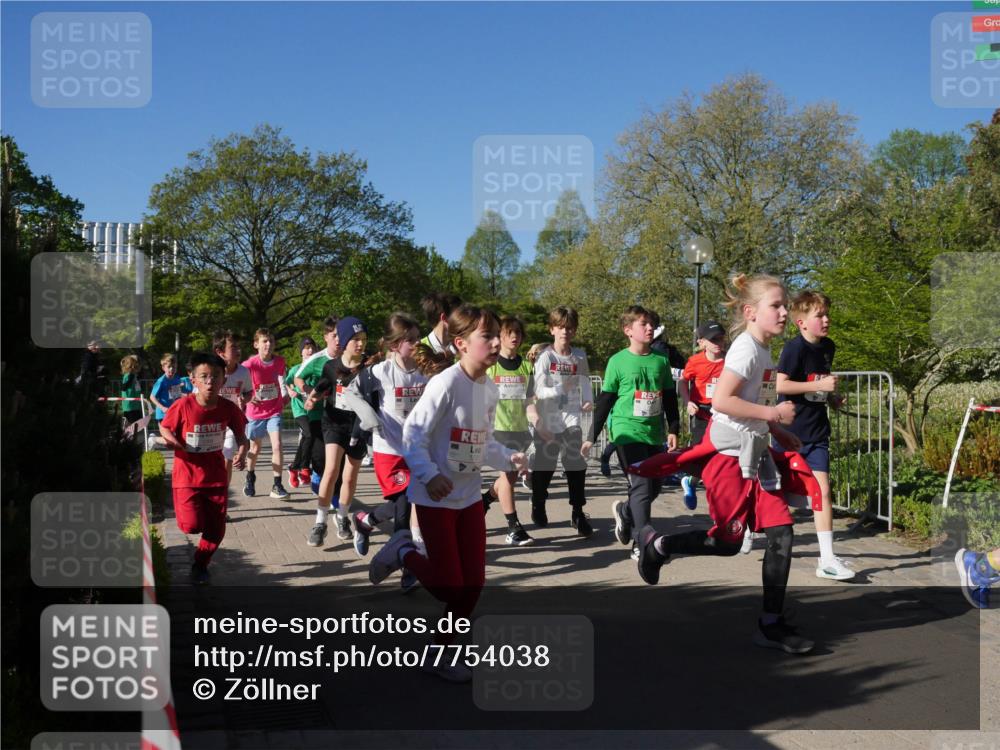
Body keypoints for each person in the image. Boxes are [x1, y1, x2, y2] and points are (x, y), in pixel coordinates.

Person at [634, 273, 816, 655]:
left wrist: (776, 431)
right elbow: (723, 402)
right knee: (727, 543)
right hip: (728, 458)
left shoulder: (763, 351)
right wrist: (774, 413)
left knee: (782, 532)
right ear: (751, 312)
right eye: (776, 306)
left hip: (756, 454)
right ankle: (660, 545)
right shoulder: (746, 350)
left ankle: (770, 624)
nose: (785, 312)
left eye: (785, 305)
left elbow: (754, 406)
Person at [368, 305, 527, 683]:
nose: (495, 342)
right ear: (460, 344)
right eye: (485, 336)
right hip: (434, 497)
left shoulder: (489, 388)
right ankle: (403, 550)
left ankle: (442, 653)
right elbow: (414, 436)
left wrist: (508, 457)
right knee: (448, 585)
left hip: (469, 497)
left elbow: (482, 443)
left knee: (472, 586)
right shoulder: (444, 384)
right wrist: (429, 474)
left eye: (495, 335)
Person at [588, 306, 679, 560]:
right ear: (628, 331)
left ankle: (626, 512)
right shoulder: (617, 361)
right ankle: (642, 542)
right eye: (643, 324)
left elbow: (670, 398)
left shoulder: (660, 361)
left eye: (652, 324)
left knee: (654, 488)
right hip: (626, 431)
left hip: (653, 432)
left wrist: (673, 428)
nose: (650, 328)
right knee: (640, 486)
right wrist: (591, 436)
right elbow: (605, 400)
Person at [776, 290, 853, 581]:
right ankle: (747, 529)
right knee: (777, 493)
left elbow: (817, 387)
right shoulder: (794, 349)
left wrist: (832, 399)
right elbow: (783, 385)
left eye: (826, 314)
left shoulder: (828, 347)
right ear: (801, 322)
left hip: (818, 431)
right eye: (819, 315)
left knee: (822, 492)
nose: (826, 319)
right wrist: (818, 384)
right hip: (790, 432)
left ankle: (827, 558)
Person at [341, 313, 428, 568]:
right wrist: (369, 417)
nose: (416, 344)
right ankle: (409, 565)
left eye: (417, 338)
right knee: (404, 504)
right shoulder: (382, 371)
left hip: (417, 449)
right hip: (388, 450)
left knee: (410, 501)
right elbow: (350, 391)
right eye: (409, 340)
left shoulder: (424, 371)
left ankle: (365, 521)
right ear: (394, 345)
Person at [159, 352, 249, 584]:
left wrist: (242, 451)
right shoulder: (183, 405)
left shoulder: (228, 408)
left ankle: (200, 564)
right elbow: (165, 428)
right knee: (191, 526)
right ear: (193, 380)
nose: (210, 381)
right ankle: (197, 547)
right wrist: (175, 442)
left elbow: (241, 436)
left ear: (223, 380)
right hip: (186, 477)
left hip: (216, 478)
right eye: (204, 376)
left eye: (216, 376)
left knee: (216, 531)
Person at [302, 317, 369, 547]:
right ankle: (320, 522)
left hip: (357, 426)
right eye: (355, 339)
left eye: (363, 339)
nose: (360, 344)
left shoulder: (369, 368)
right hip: (334, 422)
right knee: (331, 470)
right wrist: (312, 399)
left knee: (350, 476)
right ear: (344, 340)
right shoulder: (331, 365)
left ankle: (342, 518)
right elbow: (322, 386)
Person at [530, 306, 594, 537]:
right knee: (545, 466)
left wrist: (587, 399)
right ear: (552, 329)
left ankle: (578, 512)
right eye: (560, 327)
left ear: (574, 331)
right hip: (548, 418)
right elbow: (539, 390)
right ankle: (538, 500)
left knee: (575, 464)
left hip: (571, 417)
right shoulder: (546, 357)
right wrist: (560, 388)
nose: (565, 331)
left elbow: (585, 381)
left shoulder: (579, 355)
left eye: (569, 327)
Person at [482, 316, 536, 546]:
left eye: (518, 333)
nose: (514, 337)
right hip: (498, 431)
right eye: (509, 333)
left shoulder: (527, 366)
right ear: (500, 337)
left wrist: (538, 421)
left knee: (509, 479)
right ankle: (513, 527)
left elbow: (530, 400)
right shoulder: (490, 366)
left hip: (521, 430)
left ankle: (484, 501)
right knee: (507, 475)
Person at [679, 320, 728, 509]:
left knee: (721, 456)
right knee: (702, 456)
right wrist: (687, 402)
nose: (717, 342)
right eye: (712, 339)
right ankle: (690, 483)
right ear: (702, 342)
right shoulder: (695, 361)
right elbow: (683, 382)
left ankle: (713, 495)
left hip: (723, 414)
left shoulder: (730, 360)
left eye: (720, 338)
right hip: (701, 412)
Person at [241, 328, 290, 500]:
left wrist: (286, 394)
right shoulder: (250, 364)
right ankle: (250, 476)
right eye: (264, 341)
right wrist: (245, 397)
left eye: (271, 341)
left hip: (274, 410)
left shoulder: (280, 361)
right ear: (256, 344)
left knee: (277, 445)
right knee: (255, 448)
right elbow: (235, 382)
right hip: (255, 413)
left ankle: (277, 484)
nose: (268, 344)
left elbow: (285, 379)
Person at [213, 330, 254, 487]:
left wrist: (244, 399)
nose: (238, 351)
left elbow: (249, 392)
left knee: (228, 453)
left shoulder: (243, 372)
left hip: (232, 421)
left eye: (239, 347)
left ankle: (223, 494)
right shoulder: (212, 371)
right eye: (233, 347)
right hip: (212, 421)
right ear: (220, 352)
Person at [286, 337, 324, 490]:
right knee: (308, 434)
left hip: (315, 409)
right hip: (299, 409)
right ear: (301, 351)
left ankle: (293, 467)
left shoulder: (316, 370)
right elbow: (288, 382)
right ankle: (304, 468)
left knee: (310, 437)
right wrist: (290, 392)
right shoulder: (295, 369)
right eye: (306, 348)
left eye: (312, 348)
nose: (309, 350)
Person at [120, 355, 144, 426]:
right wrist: (131, 378)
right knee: (130, 422)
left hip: (136, 404)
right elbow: (123, 388)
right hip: (130, 405)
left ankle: (133, 434)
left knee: (137, 422)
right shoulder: (129, 375)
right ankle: (127, 434)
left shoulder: (134, 375)